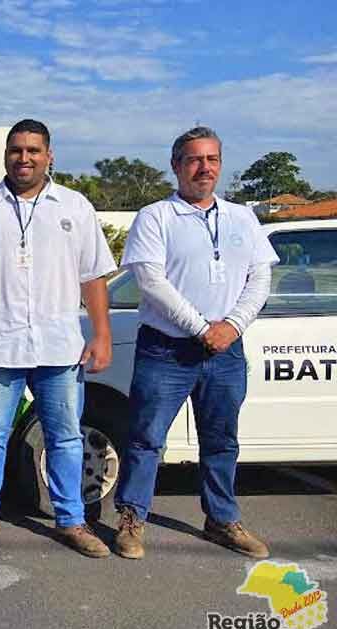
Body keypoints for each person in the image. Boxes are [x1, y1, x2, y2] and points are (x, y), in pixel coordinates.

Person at [0, 119, 117, 558]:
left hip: (59, 347)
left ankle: (72, 521)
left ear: (49, 156)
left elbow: (93, 277)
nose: (24, 158)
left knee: (65, 438)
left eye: (34, 150)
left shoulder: (74, 206)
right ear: (5, 155)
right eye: (16, 150)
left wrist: (102, 334)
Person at [113, 127, 278, 560]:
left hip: (225, 351)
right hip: (167, 350)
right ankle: (131, 519)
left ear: (220, 164)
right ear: (176, 165)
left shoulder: (243, 217)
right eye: (194, 159)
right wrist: (202, 327)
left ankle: (222, 519)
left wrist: (233, 325)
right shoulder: (156, 216)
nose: (204, 168)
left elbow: (260, 277)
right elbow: (151, 281)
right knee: (146, 439)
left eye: (212, 159)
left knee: (221, 440)